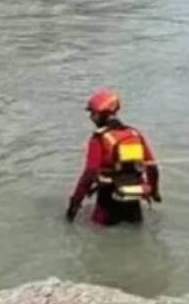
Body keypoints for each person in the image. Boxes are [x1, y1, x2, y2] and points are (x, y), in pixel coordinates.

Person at [66, 89, 160, 225]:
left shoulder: (99, 138)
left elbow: (89, 174)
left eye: (93, 113)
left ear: (103, 114)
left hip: (107, 203)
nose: (91, 117)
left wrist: (75, 203)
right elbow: (152, 167)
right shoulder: (134, 134)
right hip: (133, 203)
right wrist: (154, 192)